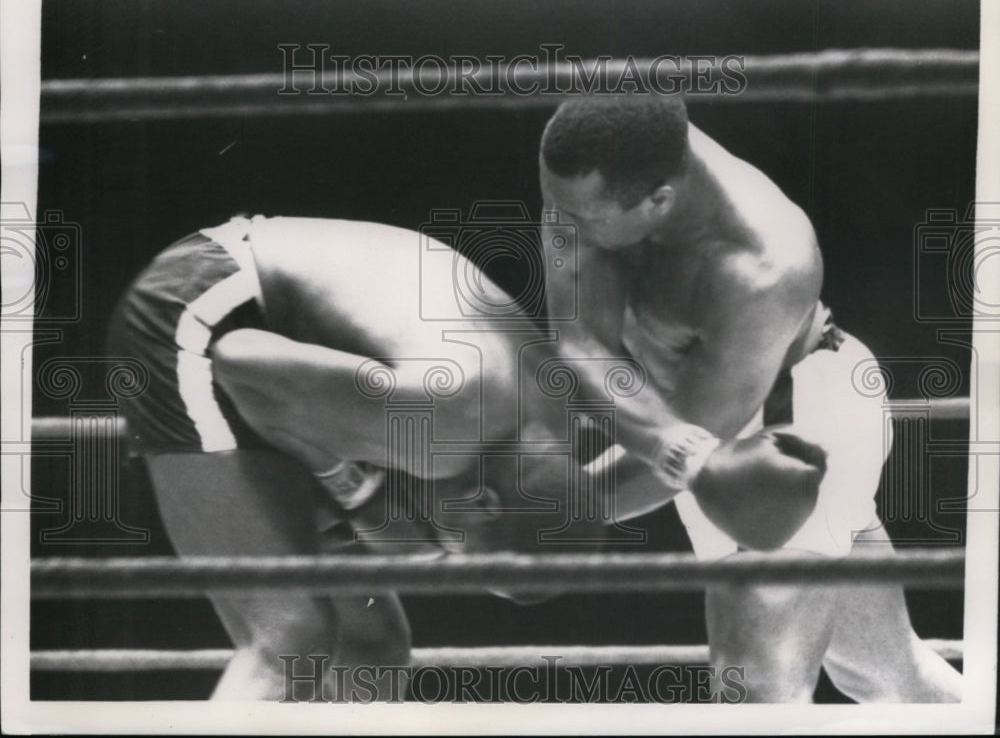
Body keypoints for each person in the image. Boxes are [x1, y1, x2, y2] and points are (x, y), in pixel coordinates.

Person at [107, 214, 831, 701]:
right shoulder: (442, 420)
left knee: (373, 639)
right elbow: (237, 363)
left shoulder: (547, 447)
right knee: (289, 638)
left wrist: (364, 502)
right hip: (202, 310)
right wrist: (339, 476)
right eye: (464, 550)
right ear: (484, 505)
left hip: (297, 350)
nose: (442, 555)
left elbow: (583, 506)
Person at [537, 95, 963, 702]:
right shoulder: (595, 172)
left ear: (659, 201)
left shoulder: (762, 263)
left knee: (756, 697)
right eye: (555, 202)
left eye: (583, 219)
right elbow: (581, 343)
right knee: (887, 673)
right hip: (697, 428)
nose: (561, 224)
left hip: (791, 428)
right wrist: (544, 506)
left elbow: (697, 444)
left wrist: (544, 518)